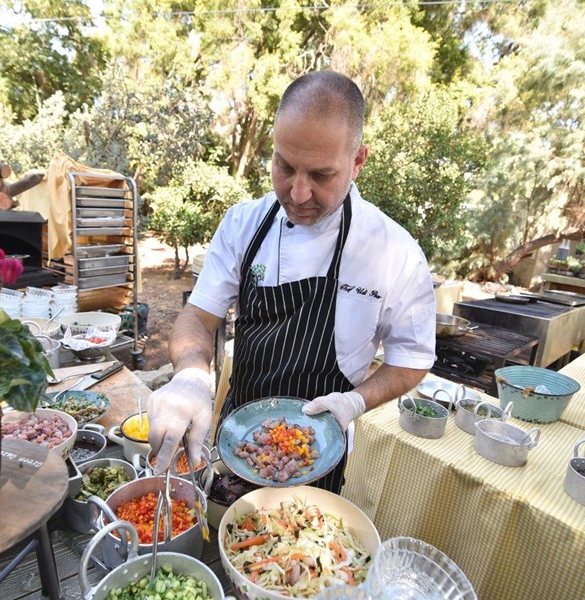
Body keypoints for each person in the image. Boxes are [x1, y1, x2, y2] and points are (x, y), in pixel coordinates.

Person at [147, 70, 436, 491]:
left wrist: (355, 402)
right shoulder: (244, 224)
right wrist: (191, 377)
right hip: (236, 440)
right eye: (284, 167)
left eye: (321, 176)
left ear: (357, 162)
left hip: (318, 455)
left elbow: (411, 358)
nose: (298, 193)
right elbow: (198, 316)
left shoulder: (394, 251)